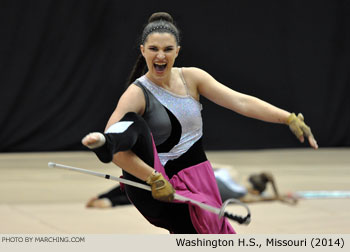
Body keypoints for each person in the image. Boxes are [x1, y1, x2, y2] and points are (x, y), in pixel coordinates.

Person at [82, 12, 318, 234]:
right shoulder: (137, 93)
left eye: (168, 49)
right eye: (153, 49)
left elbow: (241, 102)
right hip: (155, 183)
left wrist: (286, 117)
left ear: (177, 51)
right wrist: (152, 176)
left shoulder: (192, 78)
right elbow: (118, 156)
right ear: (143, 50)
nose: (160, 55)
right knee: (134, 124)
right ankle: (108, 141)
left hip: (198, 182)